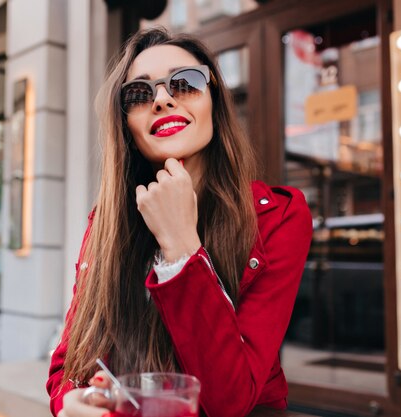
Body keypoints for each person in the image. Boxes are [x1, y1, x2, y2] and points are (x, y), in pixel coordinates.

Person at [46, 27, 312, 417]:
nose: (162, 99)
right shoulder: (107, 223)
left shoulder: (277, 216)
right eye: (138, 93)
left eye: (184, 83)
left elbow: (230, 401)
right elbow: (68, 360)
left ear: (214, 102)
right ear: (126, 127)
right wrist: (70, 400)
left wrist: (181, 248)